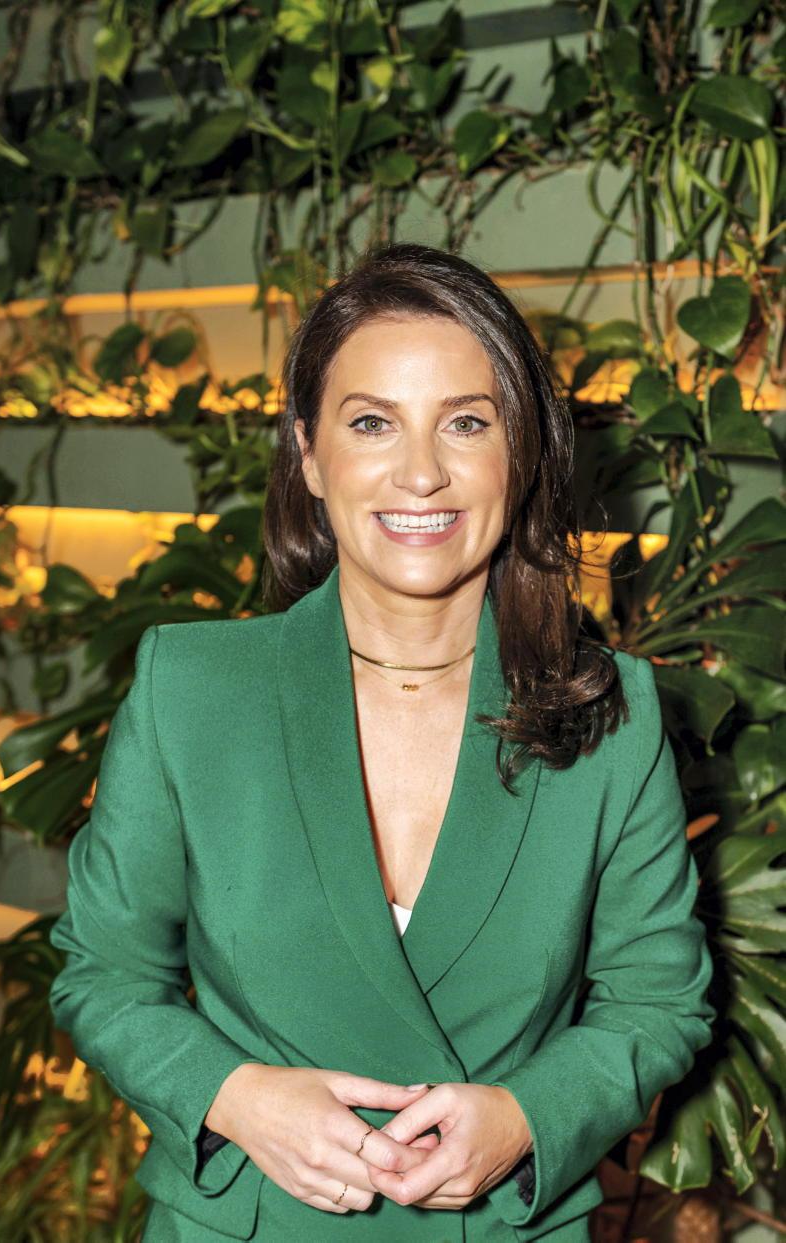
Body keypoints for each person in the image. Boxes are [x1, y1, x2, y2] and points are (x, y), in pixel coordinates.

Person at [48, 241, 716, 1242]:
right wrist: (233, 1093)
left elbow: (659, 1003)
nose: (421, 472)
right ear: (310, 454)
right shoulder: (191, 690)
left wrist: (526, 1117)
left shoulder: (614, 714)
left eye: (466, 423)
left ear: (523, 455)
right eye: (372, 422)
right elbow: (103, 973)